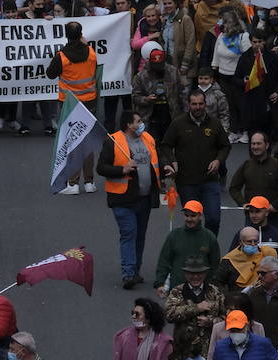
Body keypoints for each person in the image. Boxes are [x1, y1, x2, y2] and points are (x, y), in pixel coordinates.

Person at [97, 110, 160, 289]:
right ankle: (128, 274)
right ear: (128, 125)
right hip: (122, 198)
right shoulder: (113, 141)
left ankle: (135, 271)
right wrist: (121, 170)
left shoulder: (148, 138)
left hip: (145, 198)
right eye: (138, 121)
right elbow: (101, 168)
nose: (141, 124)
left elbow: (155, 161)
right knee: (129, 233)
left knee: (140, 236)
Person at [160, 91, 231, 234]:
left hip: (209, 180)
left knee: (213, 219)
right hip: (186, 182)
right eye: (194, 104)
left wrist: (218, 160)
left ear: (205, 104)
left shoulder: (215, 124)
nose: (197, 107)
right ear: (189, 105)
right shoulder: (178, 123)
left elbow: (225, 146)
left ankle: (210, 250)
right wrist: (172, 161)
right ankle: (193, 251)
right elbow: (165, 145)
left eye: (200, 104)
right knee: (192, 221)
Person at [47, 22, 100, 192]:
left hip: (69, 104)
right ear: (81, 34)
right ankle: (90, 182)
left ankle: (73, 183)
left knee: (72, 142)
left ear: (66, 35)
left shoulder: (61, 57)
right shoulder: (91, 53)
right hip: (89, 102)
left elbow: (50, 74)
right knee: (87, 141)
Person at [153, 201, 220, 295]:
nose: (189, 219)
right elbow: (164, 260)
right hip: (177, 288)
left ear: (200, 216)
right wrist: (160, 283)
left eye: (193, 216)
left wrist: (209, 284)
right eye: (186, 215)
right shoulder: (174, 236)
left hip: (201, 290)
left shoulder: (209, 237)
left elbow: (215, 263)